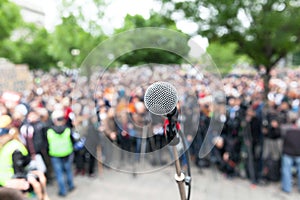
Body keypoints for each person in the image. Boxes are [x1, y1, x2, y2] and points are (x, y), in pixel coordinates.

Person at [0, 115, 49, 200]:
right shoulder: (12, 146)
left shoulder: (12, 146)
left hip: (10, 181)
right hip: (11, 182)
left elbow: (19, 166)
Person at [45, 110, 75, 197]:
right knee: (68, 170)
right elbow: (73, 141)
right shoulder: (67, 129)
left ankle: (63, 191)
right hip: (67, 153)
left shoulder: (49, 131)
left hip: (55, 154)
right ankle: (70, 186)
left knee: (59, 173)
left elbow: (46, 143)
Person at [281, 113, 300, 193]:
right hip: (298, 152)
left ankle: (287, 188)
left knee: (286, 171)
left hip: (288, 152)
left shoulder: (284, 128)